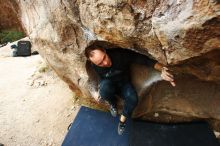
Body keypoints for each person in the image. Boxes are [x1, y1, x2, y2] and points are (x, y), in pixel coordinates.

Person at [85, 46, 176, 135]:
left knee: (133, 99)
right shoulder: (95, 65)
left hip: (124, 84)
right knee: (104, 90)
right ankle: (113, 104)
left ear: (104, 50)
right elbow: (99, 78)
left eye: (104, 57)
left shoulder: (119, 55)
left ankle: (122, 121)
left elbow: (144, 60)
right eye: (100, 63)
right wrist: (97, 91)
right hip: (110, 86)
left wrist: (162, 69)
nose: (105, 63)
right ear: (94, 63)